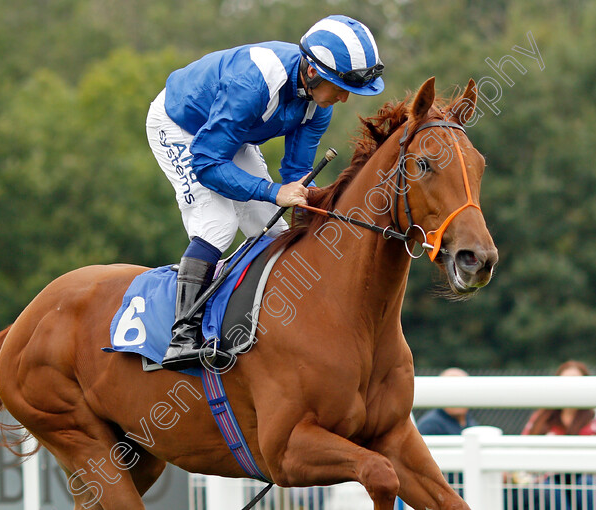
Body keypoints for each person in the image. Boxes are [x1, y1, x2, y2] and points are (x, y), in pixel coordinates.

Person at [146, 15, 385, 370]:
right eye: (340, 87)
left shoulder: (318, 104)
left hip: (229, 134)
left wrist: (320, 219)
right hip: (181, 128)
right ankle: (182, 336)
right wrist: (274, 193)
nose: (345, 99)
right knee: (218, 224)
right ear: (312, 71)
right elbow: (207, 163)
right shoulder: (253, 84)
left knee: (274, 233)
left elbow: (297, 176)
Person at [514, 360, 596, 510]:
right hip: (548, 482)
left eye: (576, 383)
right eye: (565, 383)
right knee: (549, 489)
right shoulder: (541, 419)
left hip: (593, 482)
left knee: (587, 485)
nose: (570, 388)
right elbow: (522, 452)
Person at [416, 368, 479, 435]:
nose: (457, 397)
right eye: (452, 392)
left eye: (462, 391)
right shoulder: (430, 426)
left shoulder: (470, 423)